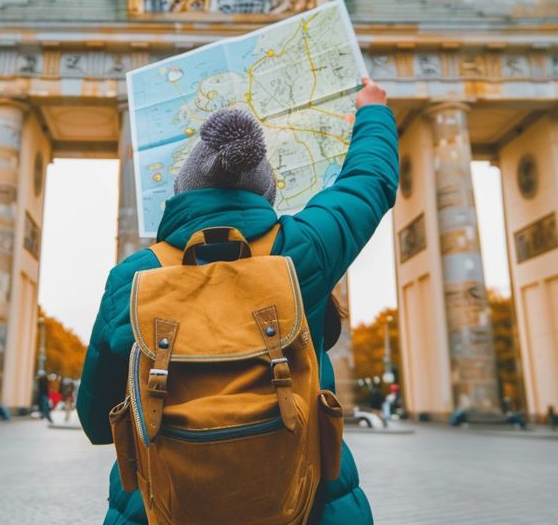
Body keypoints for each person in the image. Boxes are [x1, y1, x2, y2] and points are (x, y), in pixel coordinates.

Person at [77, 76, 395, 525]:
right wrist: (373, 111)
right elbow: (370, 181)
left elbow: (95, 420)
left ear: (182, 190)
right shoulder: (302, 250)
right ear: (265, 193)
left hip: (160, 508)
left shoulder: (133, 277)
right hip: (306, 504)